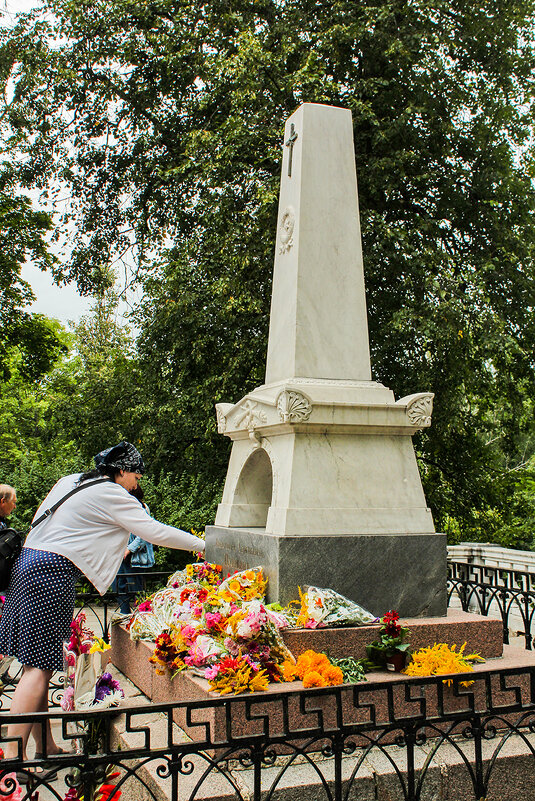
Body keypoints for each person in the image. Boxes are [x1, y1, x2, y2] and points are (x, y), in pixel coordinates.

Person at [0, 441, 205, 771]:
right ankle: (12, 761)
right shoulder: (111, 493)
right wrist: (203, 546)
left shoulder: (72, 481)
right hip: (51, 573)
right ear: (121, 471)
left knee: (35, 664)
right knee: (37, 668)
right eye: (136, 476)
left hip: (27, 565)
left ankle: (47, 747)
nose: (137, 483)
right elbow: (152, 531)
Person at [112, 485, 155, 614]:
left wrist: (129, 549)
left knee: (136, 589)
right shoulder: (121, 509)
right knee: (119, 586)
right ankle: (125, 614)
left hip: (134, 557)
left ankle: (141, 616)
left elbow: (144, 534)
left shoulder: (142, 508)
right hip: (120, 555)